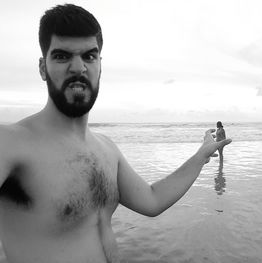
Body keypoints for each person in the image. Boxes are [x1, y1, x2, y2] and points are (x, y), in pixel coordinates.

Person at [0, 4, 231, 263]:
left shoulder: (106, 149)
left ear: (100, 65)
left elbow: (152, 201)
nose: (78, 67)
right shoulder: (11, 143)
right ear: (43, 68)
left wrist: (201, 154)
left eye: (89, 56)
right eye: (62, 56)